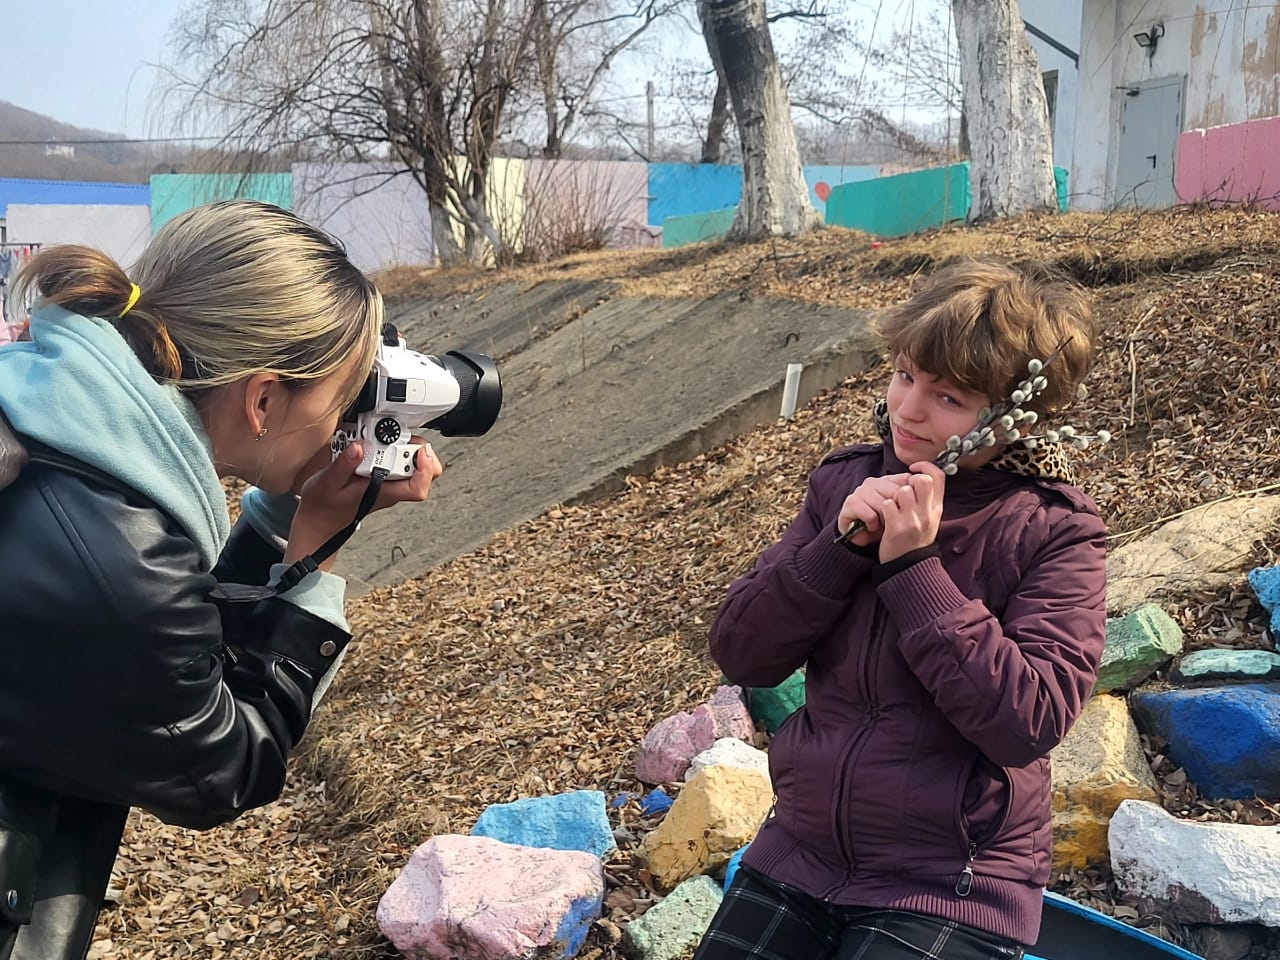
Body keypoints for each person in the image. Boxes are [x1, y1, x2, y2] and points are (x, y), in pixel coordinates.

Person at [0, 201, 442, 958]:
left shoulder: (54, 420)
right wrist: (317, 551)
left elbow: (171, 644)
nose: (343, 428)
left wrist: (278, 513)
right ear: (263, 399)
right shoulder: (116, 563)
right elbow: (220, 767)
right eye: (341, 405)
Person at [697, 261, 1107, 960]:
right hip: (801, 850)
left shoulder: (1052, 528)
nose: (908, 409)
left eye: (948, 397)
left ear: (1017, 415)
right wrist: (837, 550)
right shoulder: (846, 482)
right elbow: (743, 654)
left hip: (954, 882)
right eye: (905, 375)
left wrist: (917, 569)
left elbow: (1027, 722)